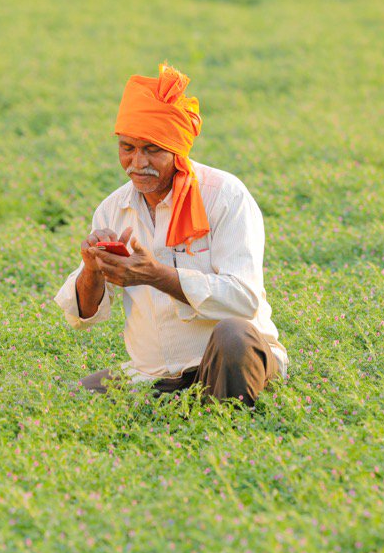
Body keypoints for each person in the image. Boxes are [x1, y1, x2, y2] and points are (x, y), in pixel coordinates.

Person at [53, 64, 288, 406]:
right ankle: (183, 407)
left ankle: (226, 426)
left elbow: (243, 299)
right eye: (127, 148)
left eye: (152, 149)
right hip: (153, 373)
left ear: (178, 151)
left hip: (226, 363)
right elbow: (82, 317)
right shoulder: (113, 209)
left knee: (234, 336)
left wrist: (158, 276)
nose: (137, 162)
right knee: (77, 399)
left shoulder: (225, 196)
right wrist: (92, 268)